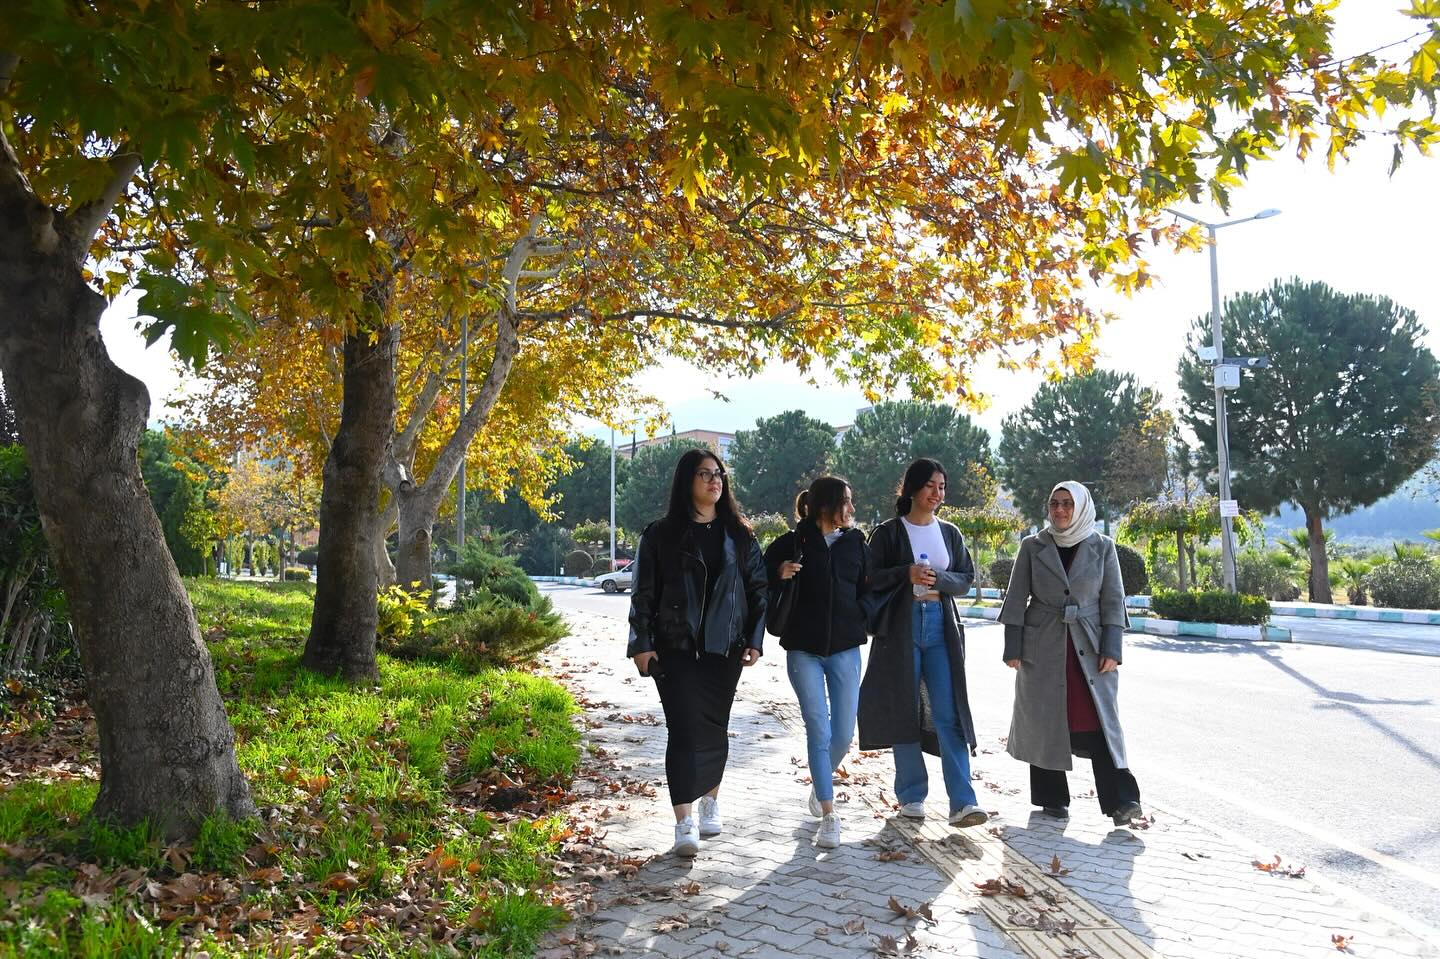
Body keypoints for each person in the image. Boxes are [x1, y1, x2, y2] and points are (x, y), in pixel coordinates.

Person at [626, 448, 767, 857]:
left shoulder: (739, 535)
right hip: (676, 648)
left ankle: (710, 802)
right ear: (687, 481)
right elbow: (643, 594)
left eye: (719, 474)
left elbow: (758, 590)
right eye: (705, 474)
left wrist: (754, 639)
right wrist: (642, 644)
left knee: (714, 729)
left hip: (725, 649)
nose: (715, 481)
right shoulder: (660, 534)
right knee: (684, 729)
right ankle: (684, 821)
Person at [997, 481, 1143, 826]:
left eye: (1067, 504)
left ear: (1081, 507)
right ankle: (1051, 798)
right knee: (1044, 718)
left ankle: (1122, 801)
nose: (1060, 510)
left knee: (1099, 721)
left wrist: (1112, 648)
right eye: (1054, 504)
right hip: (1042, 644)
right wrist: (1012, 646)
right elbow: (1016, 599)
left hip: (1090, 647)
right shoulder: (1032, 546)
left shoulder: (1103, 546)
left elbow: (1112, 600)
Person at [857, 458, 987, 828]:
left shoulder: (950, 532)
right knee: (904, 707)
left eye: (942, 487)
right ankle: (911, 796)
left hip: (940, 625)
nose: (937, 493)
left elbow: (964, 578)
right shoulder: (888, 533)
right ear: (913, 487)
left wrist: (938, 579)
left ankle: (963, 802)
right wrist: (906, 573)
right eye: (931, 485)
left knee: (949, 711)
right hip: (900, 627)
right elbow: (868, 578)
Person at [763, 476, 869, 850]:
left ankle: (818, 781)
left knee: (843, 734)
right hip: (803, 651)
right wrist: (779, 573)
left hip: (844, 649)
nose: (852, 510)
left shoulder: (856, 543)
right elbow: (758, 576)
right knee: (818, 731)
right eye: (847, 502)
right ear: (827, 506)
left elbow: (869, 588)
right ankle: (829, 813)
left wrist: (861, 618)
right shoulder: (794, 542)